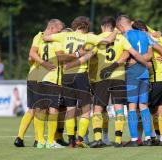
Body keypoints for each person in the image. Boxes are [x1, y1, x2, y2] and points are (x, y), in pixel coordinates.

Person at [63, 16, 148, 148]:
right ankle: (118, 141)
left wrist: (71, 64)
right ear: (113, 26)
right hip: (119, 77)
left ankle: (97, 139)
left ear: (103, 26)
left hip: (102, 78)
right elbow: (132, 53)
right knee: (119, 109)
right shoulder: (121, 38)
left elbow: (88, 55)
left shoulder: (98, 38)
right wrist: (146, 63)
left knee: (98, 109)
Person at [43, 16, 120, 148]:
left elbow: (45, 37)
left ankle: (71, 140)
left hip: (66, 76)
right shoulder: (88, 38)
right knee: (86, 110)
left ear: (75, 25)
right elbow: (109, 40)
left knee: (70, 109)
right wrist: (116, 30)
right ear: (86, 26)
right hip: (80, 76)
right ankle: (79, 139)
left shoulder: (64, 36)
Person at [132, 20, 162, 145]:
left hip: (157, 79)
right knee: (160, 109)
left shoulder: (147, 38)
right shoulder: (159, 37)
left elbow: (158, 52)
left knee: (143, 107)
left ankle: (146, 137)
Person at [116, 15, 155, 146]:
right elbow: (150, 54)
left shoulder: (124, 36)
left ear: (121, 26)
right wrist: (144, 62)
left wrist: (130, 63)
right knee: (143, 105)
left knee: (132, 107)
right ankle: (148, 137)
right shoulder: (145, 34)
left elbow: (125, 56)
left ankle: (134, 139)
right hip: (144, 73)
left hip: (132, 75)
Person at [29, 19, 65, 149]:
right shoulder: (56, 40)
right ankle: (50, 142)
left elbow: (32, 54)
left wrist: (42, 63)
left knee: (40, 109)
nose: (60, 33)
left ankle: (40, 141)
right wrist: (78, 55)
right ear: (51, 28)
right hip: (53, 78)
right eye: (58, 30)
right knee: (53, 109)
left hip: (40, 77)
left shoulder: (38, 37)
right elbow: (61, 57)